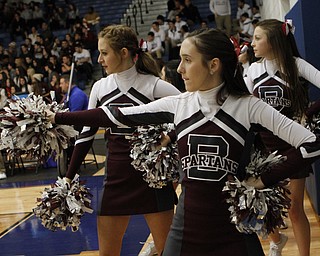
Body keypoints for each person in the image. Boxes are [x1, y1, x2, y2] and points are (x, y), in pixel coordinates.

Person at [51, 28, 320, 256]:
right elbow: (113, 115)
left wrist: (264, 180)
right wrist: (57, 117)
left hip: (235, 229)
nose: (179, 69)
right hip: (185, 227)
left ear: (213, 64)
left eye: (187, 60)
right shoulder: (178, 104)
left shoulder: (250, 107)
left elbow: (311, 143)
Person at [54, 24, 180, 256]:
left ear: (123, 52)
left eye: (104, 53)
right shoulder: (101, 87)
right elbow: (86, 135)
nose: (99, 59)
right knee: (108, 252)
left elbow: (190, 110)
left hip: (151, 179)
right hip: (116, 176)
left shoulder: (154, 85)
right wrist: (68, 177)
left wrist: (167, 139)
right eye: (99, 53)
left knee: (167, 251)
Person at [245, 19, 320, 256]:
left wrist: (307, 112)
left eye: (258, 38)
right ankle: (277, 240)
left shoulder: (296, 66)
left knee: (294, 209)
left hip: (292, 146)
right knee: (261, 205)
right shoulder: (253, 70)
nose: (252, 43)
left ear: (274, 40)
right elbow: (241, 102)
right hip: (262, 147)